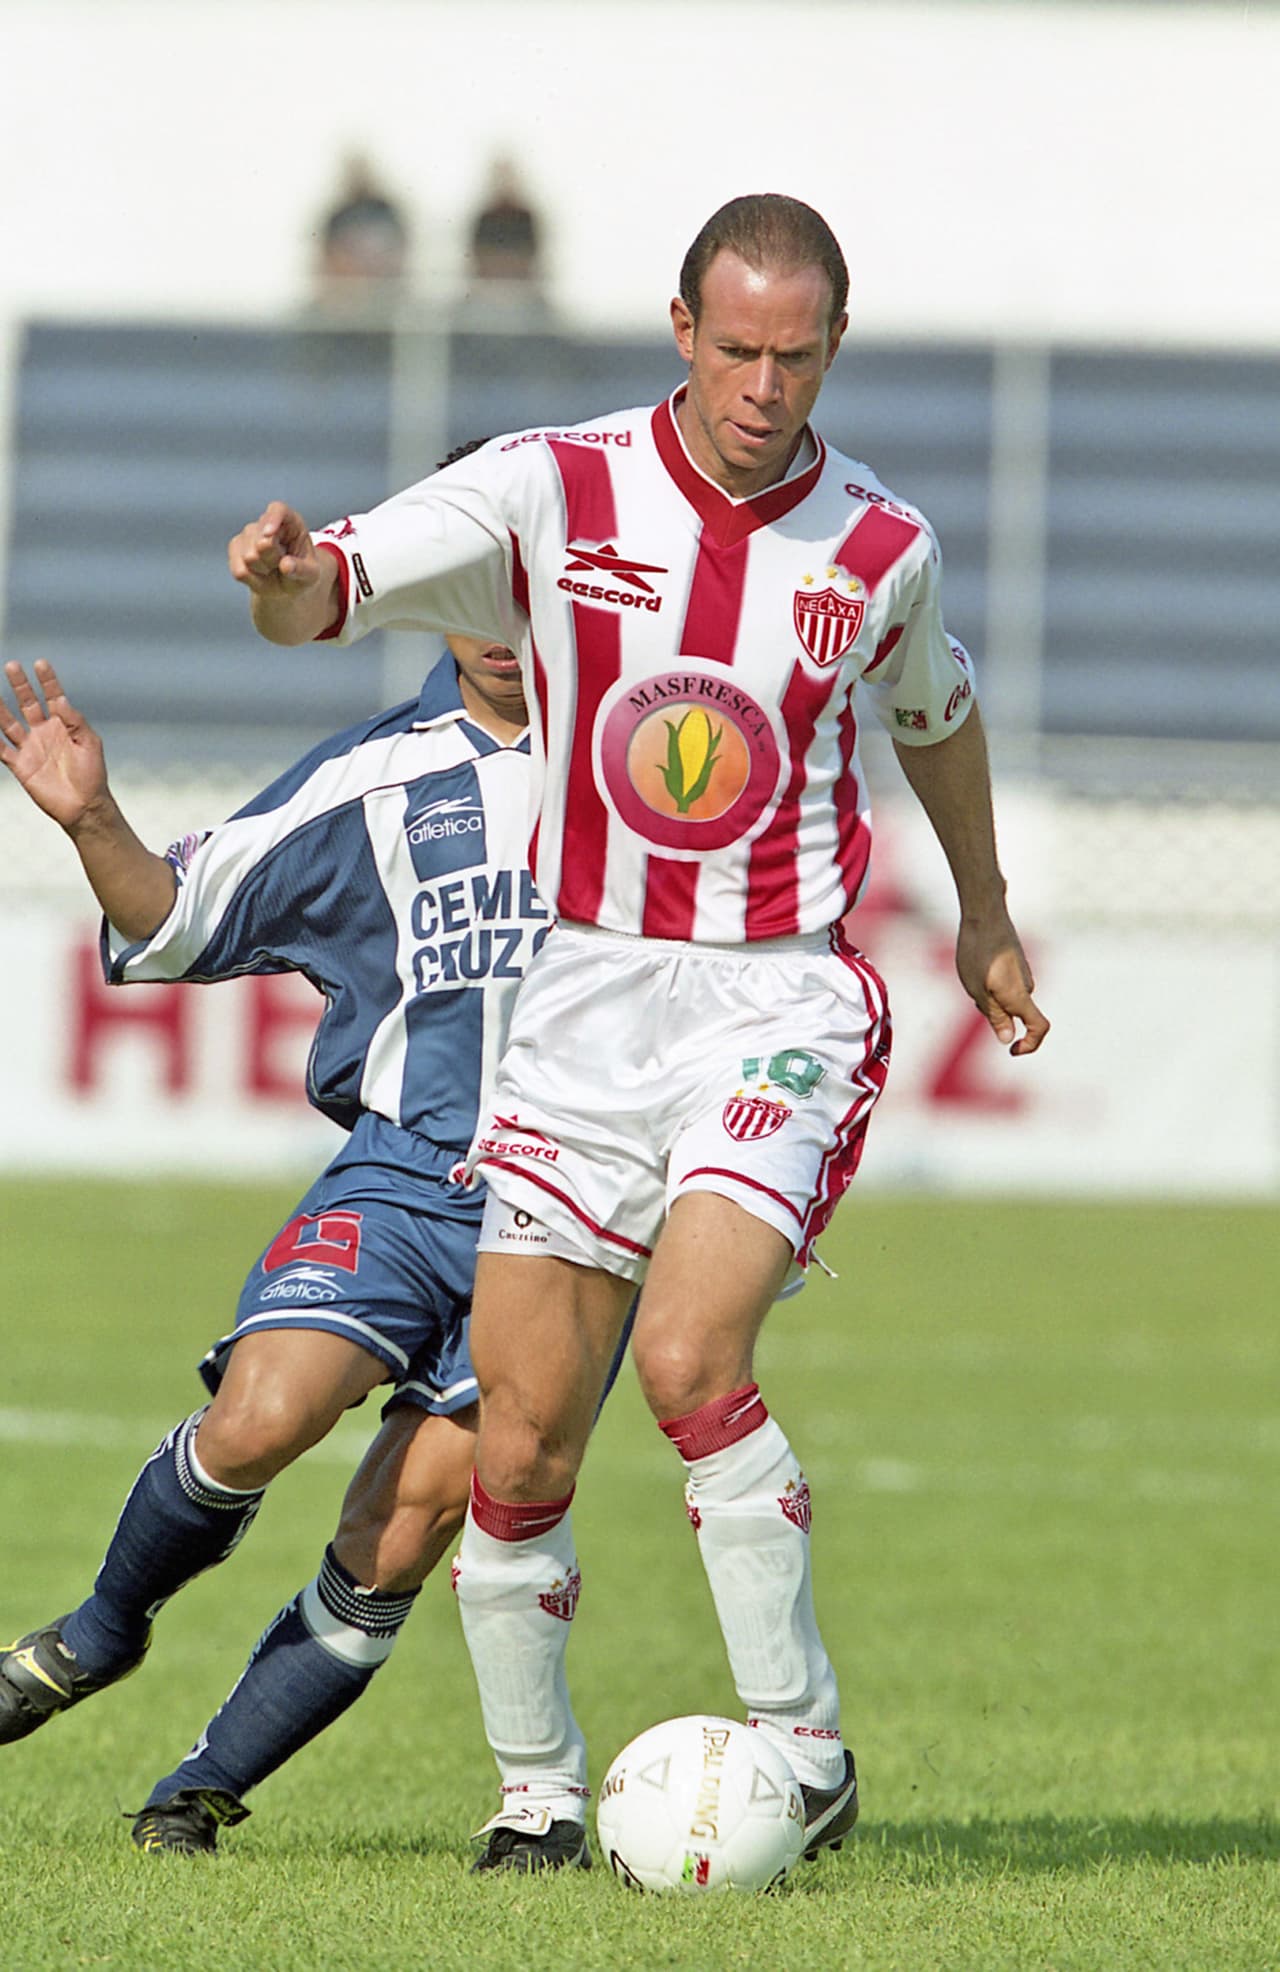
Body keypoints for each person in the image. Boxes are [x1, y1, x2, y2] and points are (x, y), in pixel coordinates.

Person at [227, 192, 1050, 1875]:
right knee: (519, 1434)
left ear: (834, 349)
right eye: (736, 348)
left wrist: (981, 909)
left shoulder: (881, 546)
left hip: (779, 995)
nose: (763, 384)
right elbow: (325, 599)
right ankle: (534, 1793)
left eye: (796, 355)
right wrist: (289, 578)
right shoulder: (551, 483)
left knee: (686, 1361)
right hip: (585, 994)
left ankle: (804, 1749)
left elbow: (939, 717)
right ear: (684, 331)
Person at [0, 596, 563, 1853]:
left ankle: (194, 1793)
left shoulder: (653, 766)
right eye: (472, 588)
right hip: (407, 1173)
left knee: (404, 1522)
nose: (503, 622)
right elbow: (179, 911)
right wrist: (92, 817)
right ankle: (98, 1630)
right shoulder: (377, 779)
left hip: (576, 1214)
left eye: (529, 583)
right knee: (260, 1414)